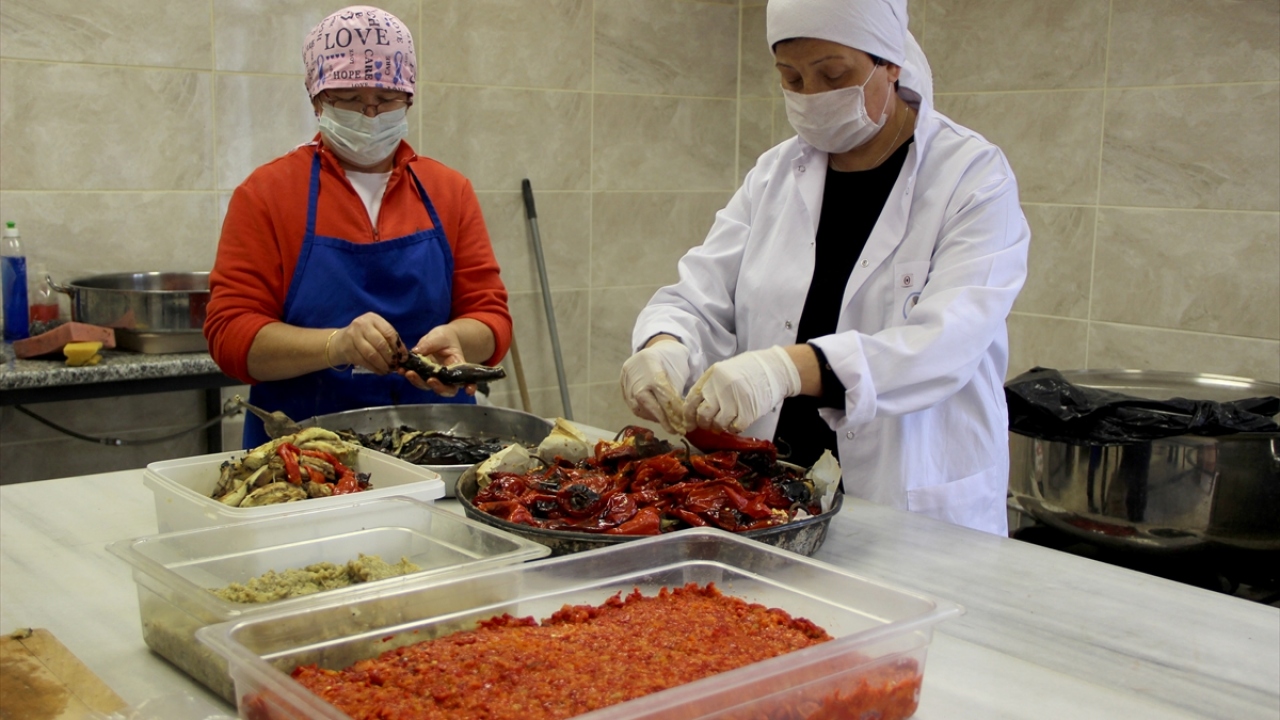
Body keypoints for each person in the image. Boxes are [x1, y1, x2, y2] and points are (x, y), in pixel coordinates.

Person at [620, 0, 1030, 535]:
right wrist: (665, 347)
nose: (811, 96)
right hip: (775, 499)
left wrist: (787, 369)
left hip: (910, 507)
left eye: (833, 74)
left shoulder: (971, 177)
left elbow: (946, 342)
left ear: (891, 64)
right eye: (791, 77)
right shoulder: (774, 174)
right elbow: (698, 297)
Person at [205, 5, 511, 449]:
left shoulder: (449, 191)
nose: (370, 115)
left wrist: (456, 338)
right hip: (304, 457)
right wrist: (336, 346)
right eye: (349, 100)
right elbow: (230, 337)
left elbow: (492, 319)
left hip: (438, 446)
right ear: (317, 100)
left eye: (385, 99)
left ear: (409, 97)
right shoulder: (266, 194)